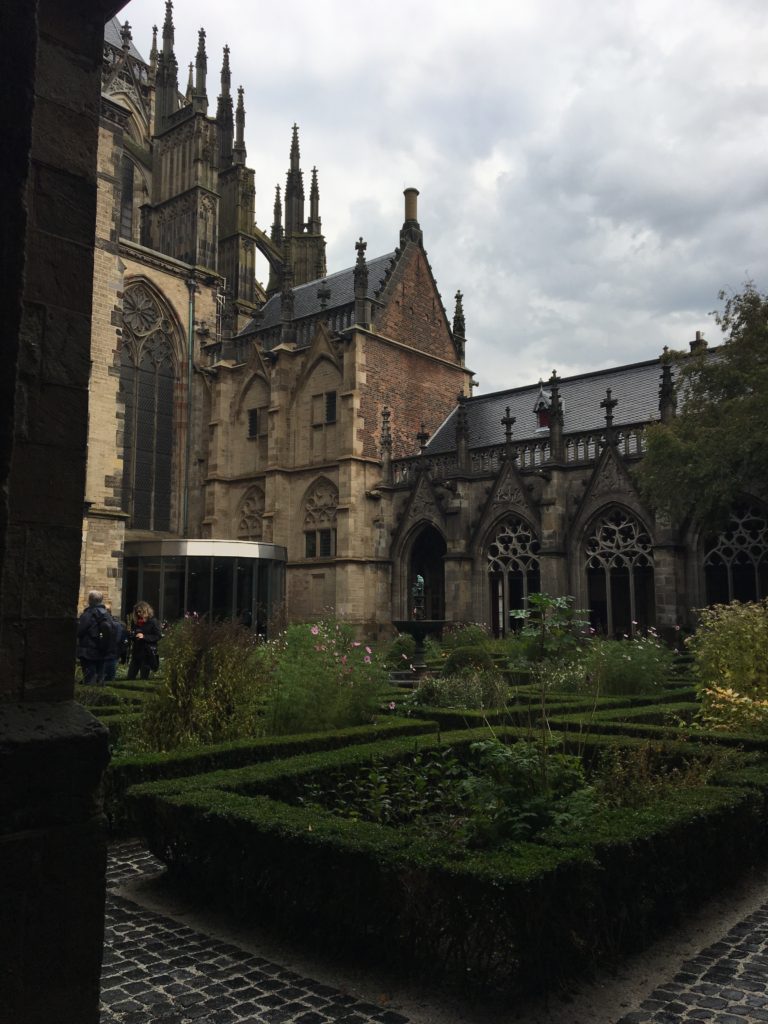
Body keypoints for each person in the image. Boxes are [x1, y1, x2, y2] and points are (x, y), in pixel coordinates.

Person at [76, 590, 109, 685]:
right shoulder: (106, 614)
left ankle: (90, 696)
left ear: (90, 600)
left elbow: (79, 631)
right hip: (102, 650)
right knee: (100, 679)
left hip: (88, 651)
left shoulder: (88, 614)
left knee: (89, 679)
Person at [127, 600, 162, 680]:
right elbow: (134, 634)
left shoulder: (153, 622)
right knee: (130, 676)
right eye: (137, 612)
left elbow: (158, 636)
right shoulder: (136, 622)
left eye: (140, 612)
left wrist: (144, 636)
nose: (138, 614)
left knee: (144, 677)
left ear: (145, 611)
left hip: (147, 653)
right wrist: (132, 635)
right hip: (137, 652)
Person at [100, 601, 126, 683]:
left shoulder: (116, 625)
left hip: (110, 655)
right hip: (107, 655)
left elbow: (117, 641)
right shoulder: (101, 623)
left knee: (108, 680)